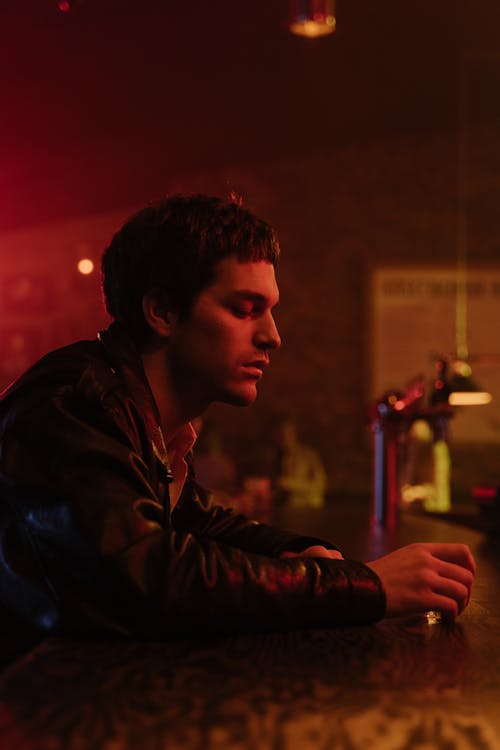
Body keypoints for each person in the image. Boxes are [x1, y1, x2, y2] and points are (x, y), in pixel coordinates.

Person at [0, 194, 475, 641]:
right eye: (245, 310)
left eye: (269, 311)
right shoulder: (74, 404)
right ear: (163, 311)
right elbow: (147, 578)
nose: (273, 336)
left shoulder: (135, 410)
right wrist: (366, 586)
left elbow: (201, 525)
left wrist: (303, 554)